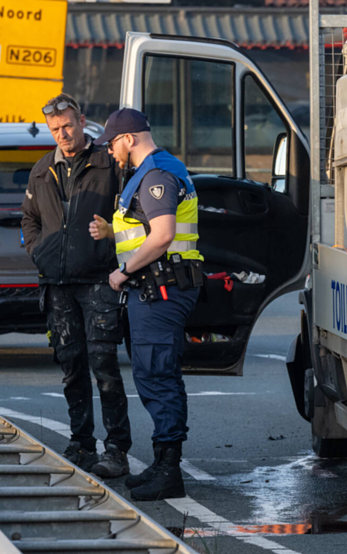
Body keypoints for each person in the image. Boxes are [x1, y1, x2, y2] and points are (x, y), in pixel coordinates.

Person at [89, 109, 203, 501]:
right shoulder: (156, 169)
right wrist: (113, 233)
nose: (110, 151)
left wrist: (123, 271)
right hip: (158, 286)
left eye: (112, 144)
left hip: (161, 287)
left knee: (157, 374)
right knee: (157, 373)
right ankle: (162, 463)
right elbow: (142, 230)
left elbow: (163, 235)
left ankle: (168, 470)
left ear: (129, 138)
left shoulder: (155, 175)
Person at [20, 94, 132, 477]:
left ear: (82, 121)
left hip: (99, 280)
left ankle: (116, 449)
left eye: (68, 125)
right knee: (71, 366)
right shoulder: (41, 171)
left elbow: (131, 215)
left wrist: (112, 243)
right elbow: (29, 219)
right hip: (57, 284)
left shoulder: (109, 164)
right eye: (55, 129)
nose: (63, 134)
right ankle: (81, 443)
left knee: (104, 366)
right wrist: (40, 253)